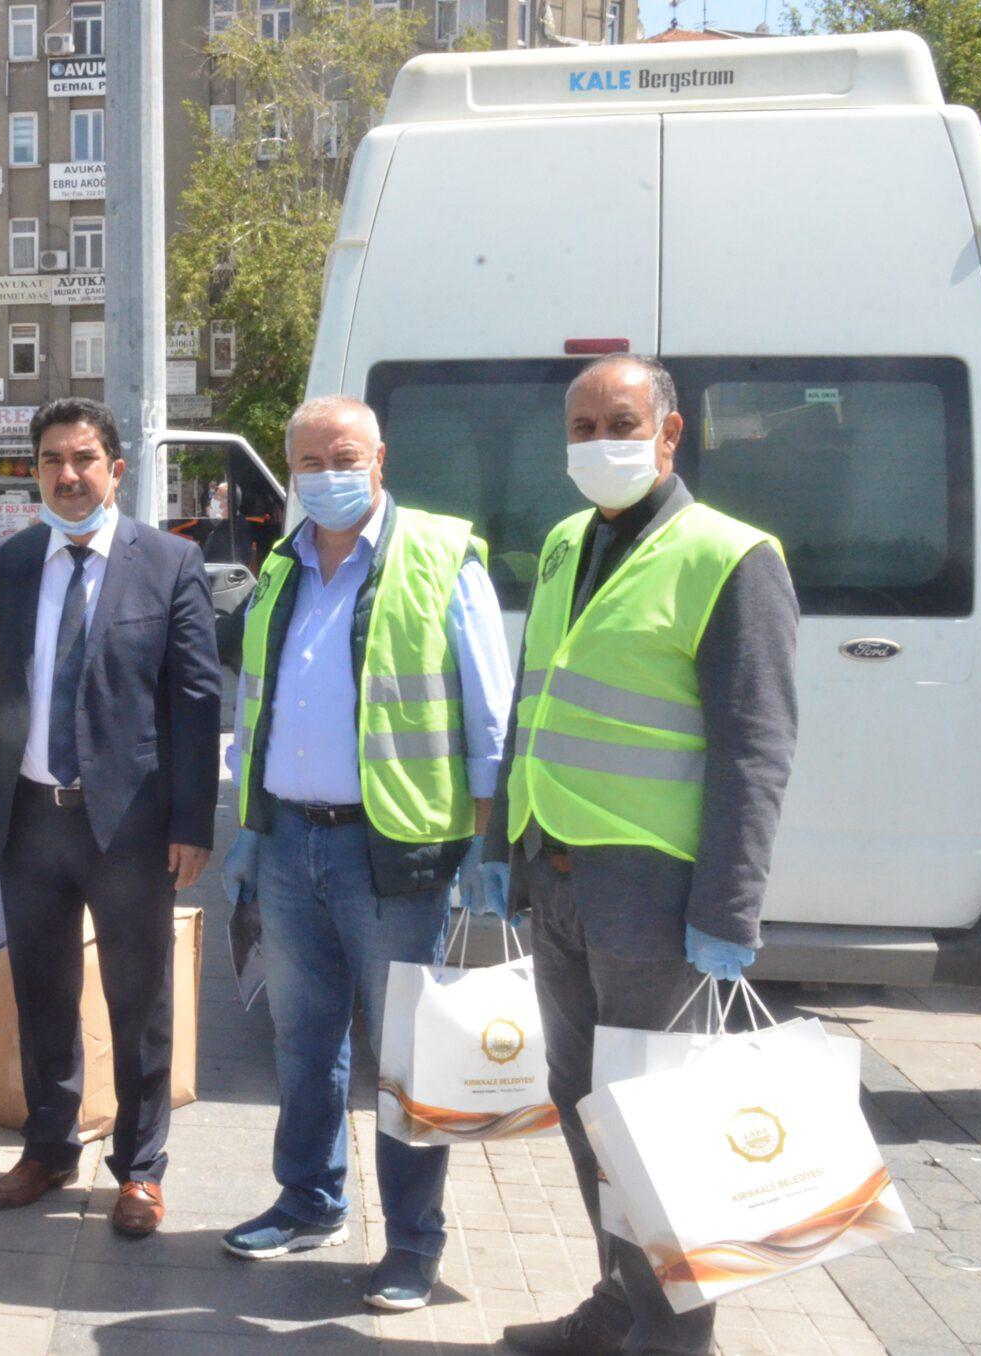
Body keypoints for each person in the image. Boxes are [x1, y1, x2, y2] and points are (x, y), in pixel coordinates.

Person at [479, 356, 797, 1355]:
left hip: (654, 900)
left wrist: (727, 911)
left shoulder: (731, 556)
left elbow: (757, 743)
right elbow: (535, 704)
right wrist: (499, 846)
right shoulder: (568, 540)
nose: (594, 443)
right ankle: (618, 1304)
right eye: (578, 427)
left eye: (617, 422)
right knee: (586, 1117)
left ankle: (673, 1338)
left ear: (667, 436)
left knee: (656, 1133)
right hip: (556, 877)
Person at [212, 396, 514, 1309]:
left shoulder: (440, 555)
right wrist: (252, 830)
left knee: (406, 1058)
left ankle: (415, 1242)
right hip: (290, 839)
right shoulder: (281, 566)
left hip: (399, 854)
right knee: (302, 1044)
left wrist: (486, 845)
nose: (324, 474)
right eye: (306, 460)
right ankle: (309, 1201)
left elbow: (488, 718)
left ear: (379, 458)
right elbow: (258, 707)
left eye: (341, 455)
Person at [0, 397, 221, 1239]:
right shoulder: (11, 564)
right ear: (36, 470)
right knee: (42, 995)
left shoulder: (169, 564)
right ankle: (50, 1145)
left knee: (139, 1001)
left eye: (86, 458)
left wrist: (192, 822)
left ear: (116, 470)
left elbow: (197, 702)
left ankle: (138, 1168)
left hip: (128, 828)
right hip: (30, 823)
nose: (69, 474)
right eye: (53, 459)